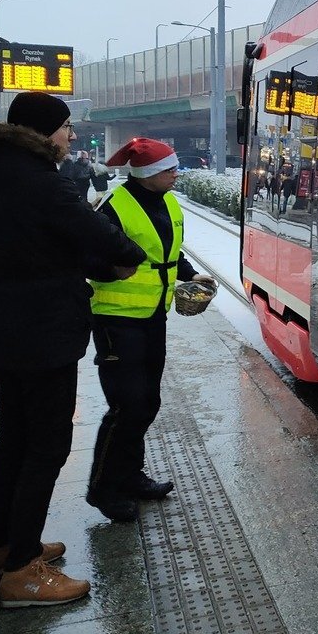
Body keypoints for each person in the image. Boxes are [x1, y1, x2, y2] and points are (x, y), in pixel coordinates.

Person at [0, 91, 145, 607]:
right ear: (44, 132)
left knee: (14, 441)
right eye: (67, 127)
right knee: (46, 446)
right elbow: (106, 239)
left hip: (8, 322)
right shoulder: (43, 183)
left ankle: (2, 548)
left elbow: (41, 244)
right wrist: (122, 257)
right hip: (45, 328)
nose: (71, 135)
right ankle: (23, 571)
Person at [85, 137, 216, 522]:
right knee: (127, 405)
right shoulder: (114, 207)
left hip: (153, 317)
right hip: (115, 319)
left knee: (148, 402)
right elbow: (89, 258)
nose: (177, 174)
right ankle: (103, 489)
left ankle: (130, 475)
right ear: (147, 174)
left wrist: (191, 275)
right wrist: (112, 271)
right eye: (170, 169)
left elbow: (168, 253)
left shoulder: (169, 201)